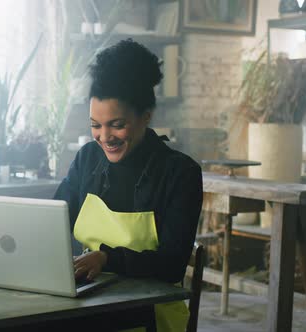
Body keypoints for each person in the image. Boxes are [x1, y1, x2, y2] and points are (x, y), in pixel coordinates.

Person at [54, 39, 203, 331]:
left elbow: (172, 263)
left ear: (146, 116)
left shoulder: (179, 173)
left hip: (152, 314)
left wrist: (107, 258)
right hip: (90, 303)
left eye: (117, 124)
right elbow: (54, 219)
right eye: (95, 125)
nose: (104, 136)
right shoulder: (87, 159)